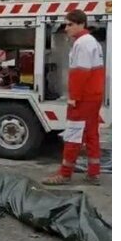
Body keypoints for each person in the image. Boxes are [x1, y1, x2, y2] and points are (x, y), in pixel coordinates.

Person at [42, 10, 105, 186]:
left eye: (70, 24)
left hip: (84, 97)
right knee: (92, 134)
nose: (66, 28)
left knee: (73, 134)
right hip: (93, 96)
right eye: (66, 24)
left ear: (80, 24)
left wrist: (74, 97)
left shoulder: (82, 44)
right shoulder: (92, 42)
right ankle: (94, 173)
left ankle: (64, 174)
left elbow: (81, 73)